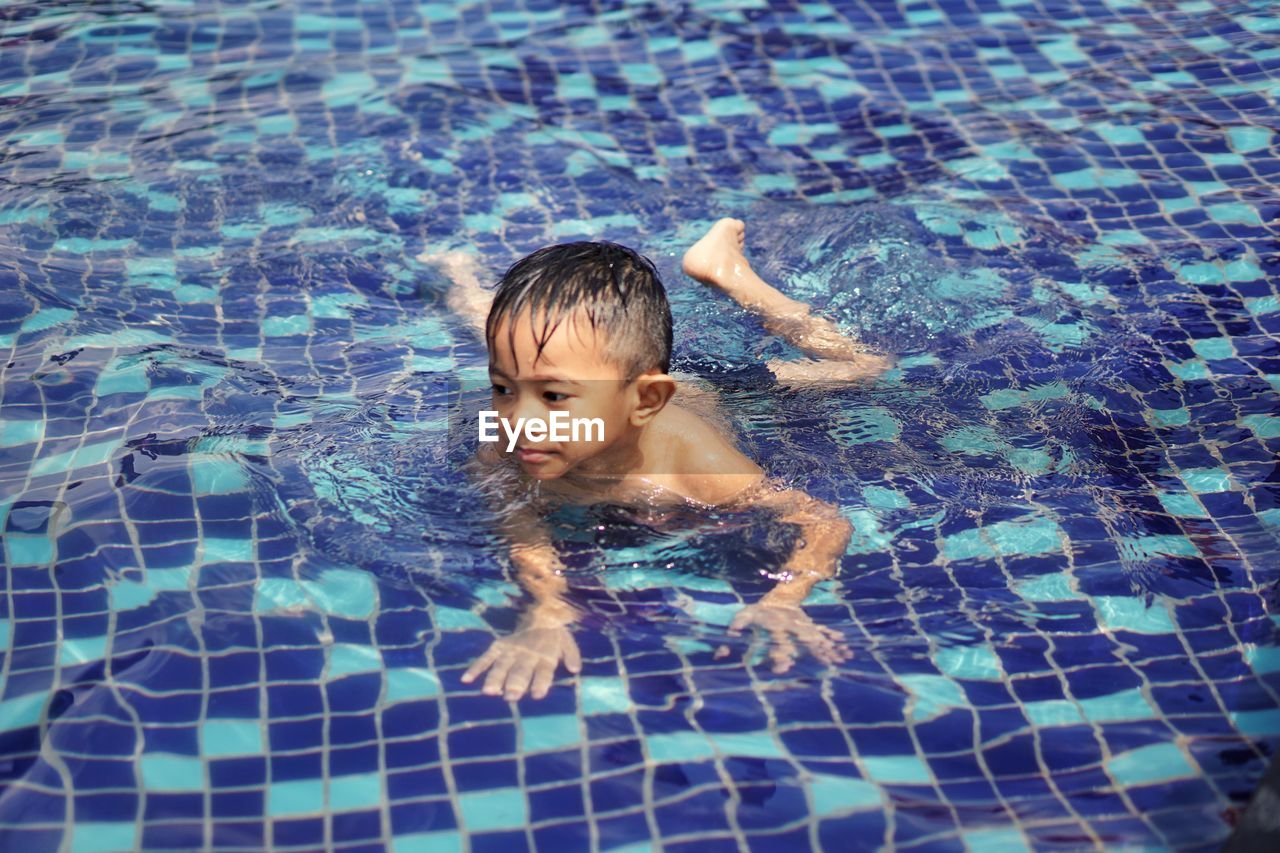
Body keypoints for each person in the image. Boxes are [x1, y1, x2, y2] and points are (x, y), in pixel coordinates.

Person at [418, 218, 892, 701]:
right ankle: (461, 279)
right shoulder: (506, 446)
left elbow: (824, 522)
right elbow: (523, 531)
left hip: (708, 392)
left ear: (645, 402)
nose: (520, 418)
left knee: (864, 368)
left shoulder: (691, 462)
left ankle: (729, 272)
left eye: (554, 397)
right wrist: (547, 609)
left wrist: (785, 600)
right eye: (502, 390)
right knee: (523, 345)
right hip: (612, 380)